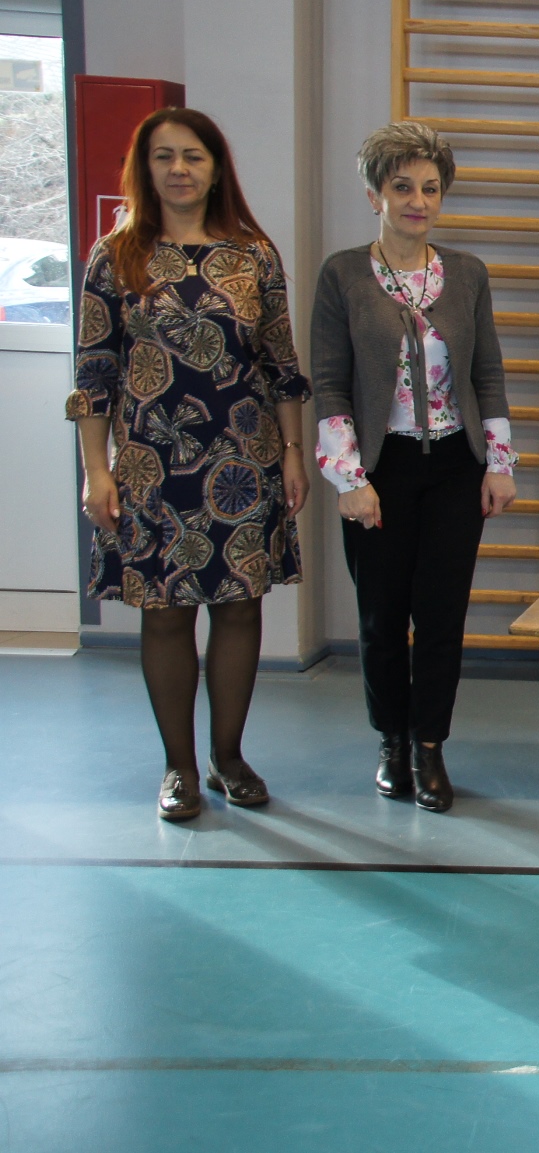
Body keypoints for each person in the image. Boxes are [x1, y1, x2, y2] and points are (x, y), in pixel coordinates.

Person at [67, 109, 311, 821]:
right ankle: (178, 767)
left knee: (239, 608)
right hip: (151, 466)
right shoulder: (114, 256)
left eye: (193, 156)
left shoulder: (253, 255)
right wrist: (96, 469)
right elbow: (93, 374)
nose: (179, 169)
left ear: (215, 167)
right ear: (144, 168)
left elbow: (282, 365)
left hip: (244, 459)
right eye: (164, 156)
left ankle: (228, 757)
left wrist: (292, 453)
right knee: (166, 616)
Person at [312, 121, 517, 814]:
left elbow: (487, 373)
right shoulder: (342, 274)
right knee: (380, 618)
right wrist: (350, 479)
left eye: (430, 188)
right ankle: (391, 742)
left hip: (455, 468)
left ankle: (429, 745)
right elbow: (330, 384)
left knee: (440, 618)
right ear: (375, 194)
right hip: (381, 468)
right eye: (402, 187)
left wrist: (498, 463)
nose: (417, 201)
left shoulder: (467, 274)